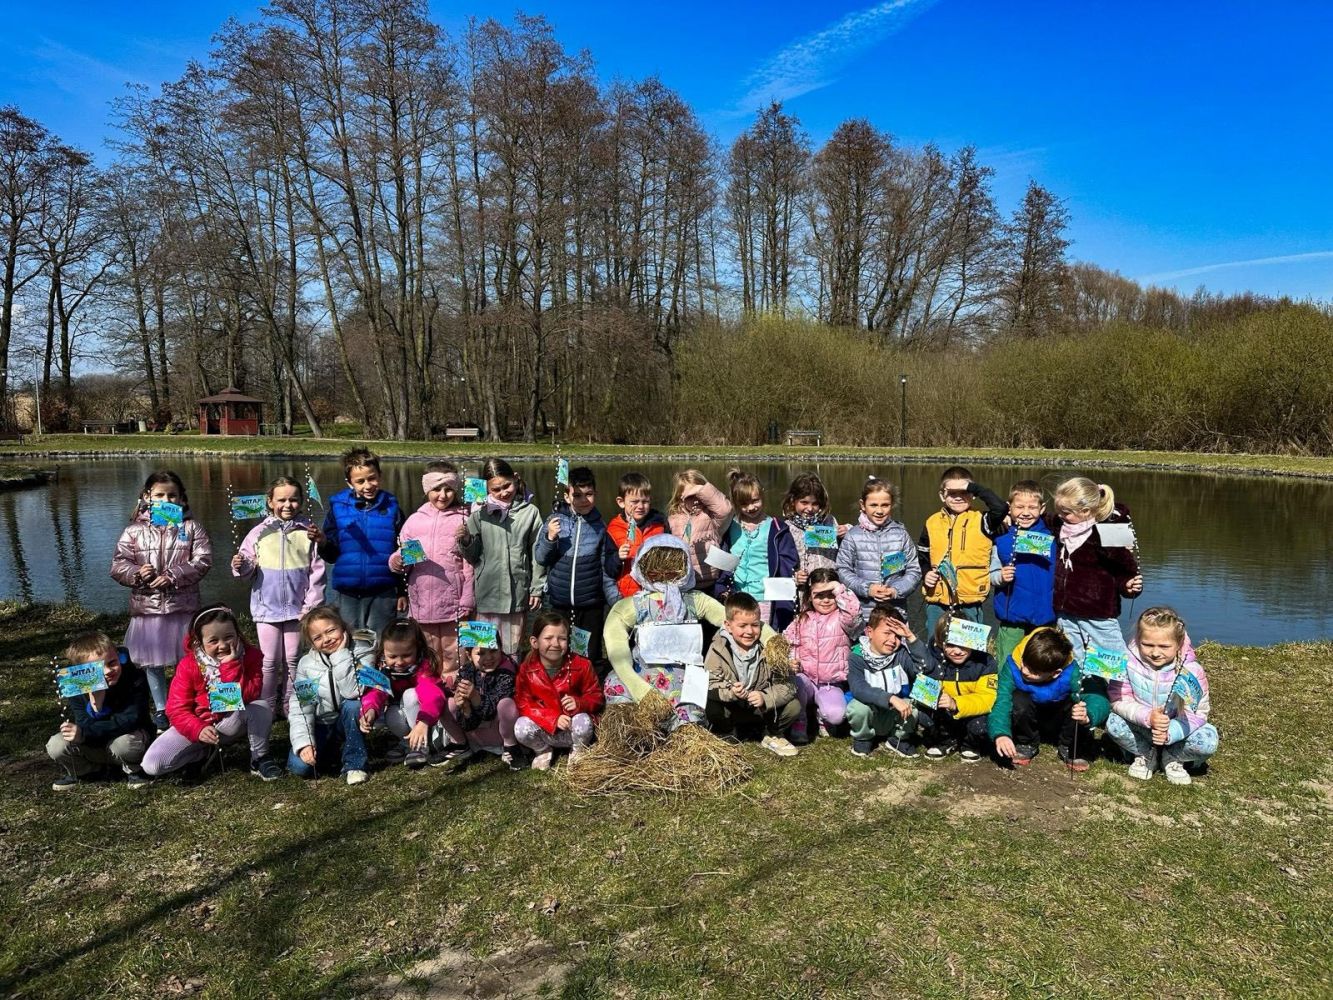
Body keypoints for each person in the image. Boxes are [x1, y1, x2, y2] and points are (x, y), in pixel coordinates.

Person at [604, 535, 760, 730]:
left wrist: (769, 639)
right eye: (656, 568)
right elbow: (614, 635)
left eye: (673, 567)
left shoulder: (695, 600)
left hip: (683, 675)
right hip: (642, 671)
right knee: (618, 687)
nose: (664, 574)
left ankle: (683, 731)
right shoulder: (637, 603)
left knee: (690, 713)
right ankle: (632, 730)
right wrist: (634, 682)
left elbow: (729, 619)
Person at [110, 469, 213, 731]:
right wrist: (137, 573)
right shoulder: (134, 530)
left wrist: (173, 576)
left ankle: (184, 705)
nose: (166, 500)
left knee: (186, 662)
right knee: (152, 664)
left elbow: (202, 561)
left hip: (183, 608)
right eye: (159, 495)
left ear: (182, 499)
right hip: (148, 610)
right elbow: (118, 565)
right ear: (147, 496)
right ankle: (161, 709)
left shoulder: (191, 528)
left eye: (172, 495)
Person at [140, 605, 278, 781]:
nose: (223, 645)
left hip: (232, 720)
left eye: (229, 637)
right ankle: (202, 753)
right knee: (152, 764)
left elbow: (250, 694)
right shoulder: (188, 665)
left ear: (238, 634)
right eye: (213, 641)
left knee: (261, 707)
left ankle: (259, 758)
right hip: (198, 723)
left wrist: (230, 667)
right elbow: (176, 709)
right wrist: (198, 729)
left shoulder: (251, 656)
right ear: (199, 641)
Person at [232, 475, 325, 719]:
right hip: (266, 609)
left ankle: (290, 704)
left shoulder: (308, 532)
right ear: (270, 501)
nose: (287, 505)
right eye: (281, 500)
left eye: (293, 499)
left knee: (293, 659)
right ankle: (267, 705)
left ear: (301, 501)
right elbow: (247, 569)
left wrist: (310, 607)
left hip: (298, 610)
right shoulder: (258, 532)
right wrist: (240, 565)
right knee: (269, 660)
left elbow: (317, 573)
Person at [1107, 607, 1219, 785]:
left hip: (1177, 733)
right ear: (1138, 638)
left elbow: (1198, 713)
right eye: (1147, 645)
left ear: (1179, 643)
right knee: (1113, 722)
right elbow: (1118, 699)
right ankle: (1144, 754)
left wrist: (1171, 732)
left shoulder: (1191, 671)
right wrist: (1147, 717)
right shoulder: (1126, 662)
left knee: (1208, 740)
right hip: (1141, 726)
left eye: (1164, 646)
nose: (1155, 653)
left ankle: (1173, 756)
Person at [390, 462, 475, 673]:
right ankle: (430, 688)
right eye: (436, 489)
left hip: (453, 604)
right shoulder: (414, 521)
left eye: (449, 489)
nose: (443, 495)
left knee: (456, 653)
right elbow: (404, 557)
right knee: (428, 656)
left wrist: (467, 598)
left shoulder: (465, 519)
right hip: (421, 605)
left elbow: (470, 563)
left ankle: (454, 687)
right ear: (427, 489)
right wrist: (397, 561)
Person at [534, 465, 617, 679]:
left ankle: (588, 691)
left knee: (588, 654)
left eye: (588, 494)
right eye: (577, 495)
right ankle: (557, 687)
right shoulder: (554, 521)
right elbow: (541, 558)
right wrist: (550, 538)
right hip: (559, 602)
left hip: (590, 604)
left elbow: (605, 570)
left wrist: (615, 602)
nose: (583, 500)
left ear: (595, 494)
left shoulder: (600, 527)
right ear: (567, 496)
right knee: (557, 650)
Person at [1048, 477, 1143, 666]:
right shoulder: (1059, 526)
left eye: (1065, 512)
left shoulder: (1108, 531)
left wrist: (1128, 585)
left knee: (1110, 660)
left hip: (1097, 612)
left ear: (1085, 511)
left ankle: (1115, 685)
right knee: (1071, 658)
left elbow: (1125, 567)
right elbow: (1037, 519)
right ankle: (1078, 683)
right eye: (1058, 510)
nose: (1060, 515)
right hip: (1065, 611)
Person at [988, 626, 1109, 771]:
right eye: (1024, 663)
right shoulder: (1012, 665)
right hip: (1028, 716)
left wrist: (1088, 715)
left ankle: (1068, 745)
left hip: (1060, 717)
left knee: (1078, 705)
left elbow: (1098, 698)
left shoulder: (1073, 671)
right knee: (1018, 699)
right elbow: (1001, 700)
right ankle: (1026, 742)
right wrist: (1001, 733)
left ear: (1056, 673)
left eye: (1034, 671)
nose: (1024, 671)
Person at [457, 458, 547, 654]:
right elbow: (473, 557)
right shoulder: (478, 515)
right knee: (482, 650)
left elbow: (537, 553)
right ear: (487, 489)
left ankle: (511, 673)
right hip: (486, 595)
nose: (503, 492)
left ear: (515, 479)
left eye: (507, 486)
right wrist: (466, 541)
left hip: (517, 594)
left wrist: (536, 589)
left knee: (511, 650)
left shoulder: (530, 512)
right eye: (496, 490)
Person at [312, 448, 404, 634]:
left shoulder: (392, 508)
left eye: (372, 478)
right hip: (348, 592)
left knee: (382, 642)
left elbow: (404, 552)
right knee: (351, 640)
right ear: (349, 482)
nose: (368, 485)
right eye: (360, 481)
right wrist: (322, 542)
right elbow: (331, 556)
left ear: (380, 475)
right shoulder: (338, 508)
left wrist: (403, 591)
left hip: (384, 592)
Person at [47, 632, 153, 791]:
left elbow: (130, 719)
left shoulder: (134, 677)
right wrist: (96, 702)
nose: (108, 670)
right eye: (97, 668)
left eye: (112, 662)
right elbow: (82, 721)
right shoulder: (76, 685)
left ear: (118, 656)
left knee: (125, 744)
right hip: (94, 743)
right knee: (56, 744)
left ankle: (134, 769)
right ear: (82, 671)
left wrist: (85, 733)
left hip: (125, 740)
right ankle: (88, 772)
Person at [704, 593, 800, 756]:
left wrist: (765, 697)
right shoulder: (717, 648)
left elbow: (789, 685)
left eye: (755, 625)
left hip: (761, 710)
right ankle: (727, 731)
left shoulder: (770, 648)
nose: (749, 631)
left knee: (793, 706)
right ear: (728, 625)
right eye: (742, 626)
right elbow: (710, 683)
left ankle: (772, 733)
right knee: (710, 705)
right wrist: (731, 692)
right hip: (732, 708)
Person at [917, 466, 1008, 637]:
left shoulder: (983, 520)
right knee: (935, 645)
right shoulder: (932, 522)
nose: (958, 497)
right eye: (952, 493)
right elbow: (922, 554)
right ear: (942, 496)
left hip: (970, 601)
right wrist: (926, 573)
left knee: (969, 648)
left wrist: (973, 487)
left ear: (972, 494)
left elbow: (1001, 508)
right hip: (937, 600)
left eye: (964, 492)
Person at [286, 606, 369, 785]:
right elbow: (302, 707)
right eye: (317, 637)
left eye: (331, 630)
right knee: (299, 767)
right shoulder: (306, 664)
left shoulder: (362, 651)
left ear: (342, 626)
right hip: (321, 724)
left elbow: (353, 691)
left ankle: (354, 765)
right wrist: (305, 743)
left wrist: (341, 655)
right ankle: (331, 752)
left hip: (349, 720)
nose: (327, 639)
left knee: (353, 705)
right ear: (311, 643)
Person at [513, 612, 604, 770]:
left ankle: (578, 750)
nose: (555, 643)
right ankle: (542, 750)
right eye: (548, 638)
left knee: (584, 721)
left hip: (572, 729)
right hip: (544, 730)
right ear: (534, 642)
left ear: (568, 641)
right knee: (520, 727)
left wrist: (579, 703)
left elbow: (596, 696)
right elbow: (523, 703)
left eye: (562, 638)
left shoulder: (582, 665)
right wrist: (552, 718)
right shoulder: (527, 669)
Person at [357, 619, 448, 769]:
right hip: (409, 715)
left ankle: (422, 745)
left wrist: (424, 721)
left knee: (410, 695)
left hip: (430, 720)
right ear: (383, 652)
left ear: (418, 649)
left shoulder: (423, 668)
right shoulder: (384, 669)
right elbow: (377, 691)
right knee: (392, 712)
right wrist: (370, 710)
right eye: (392, 656)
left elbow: (432, 695)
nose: (399, 662)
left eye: (406, 655)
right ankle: (407, 742)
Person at [784, 568, 862, 743]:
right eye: (819, 595)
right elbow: (789, 644)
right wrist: (791, 661)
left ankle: (822, 716)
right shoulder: (802, 619)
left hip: (830, 683)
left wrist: (839, 588)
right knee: (795, 684)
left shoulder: (843, 618)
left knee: (836, 715)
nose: (826, 600)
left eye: (830, 595)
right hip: (805, 679)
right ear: (810, 596)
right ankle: (800, 720)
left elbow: (854, 614)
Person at [988, 480, 1056, 671]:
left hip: (1045, 617)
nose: (1025, 512)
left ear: (1042, 509)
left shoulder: (1054, 534)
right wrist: (1000, 577)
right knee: (1007, 666)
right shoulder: (1000, 535)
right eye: (1019, 507)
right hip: (1012, 618)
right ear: (1009, 507)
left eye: (1032, 507)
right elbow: (991, 573)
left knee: (1043, 666)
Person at [716, 469, 797, 629]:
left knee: (762, 635)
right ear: (735, 503)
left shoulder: (777, 528)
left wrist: (786, 598)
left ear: (762, 494)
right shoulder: (729, 526)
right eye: (744, 504)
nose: (751, 507)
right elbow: (723, 565)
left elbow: (788, 565)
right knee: (740, 635)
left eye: (755, 501)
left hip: (765, 597)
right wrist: (721, 589)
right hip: (736, 598)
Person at [846, 604, 927, 759]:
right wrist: (890, 698)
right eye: (887, 633)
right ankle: (863, 738)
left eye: (897, 636)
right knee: (857, 709)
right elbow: (859, 688)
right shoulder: (856, 655)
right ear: (869, 632)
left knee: (912, 707)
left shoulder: (901, 654)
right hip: (871, 711)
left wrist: (911, 638)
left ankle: (898, 738)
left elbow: (922, 670)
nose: (892, 640)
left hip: (895, 713)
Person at [836, 476, 919, 620]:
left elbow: (914, 571)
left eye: (885, 505)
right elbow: (842, 570)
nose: (879, 511)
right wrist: (868, 589)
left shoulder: (901, 535)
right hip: (862, 613)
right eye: (873, 505)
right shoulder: (853, 536)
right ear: (863, 505)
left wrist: (895, 590)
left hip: (895, 612)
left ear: (892, 505)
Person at [918, 615, 996, 762]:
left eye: (963, 645)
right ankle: (944, 742)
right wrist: (933, 697)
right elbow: (921, 693)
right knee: (923, 714)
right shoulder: (930, 659)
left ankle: (970, 744)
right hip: (944, 714)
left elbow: (988, 698)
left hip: (970, 714)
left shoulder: (986, 662)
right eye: (950, 645)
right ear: (940, 643)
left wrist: (956, 704)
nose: (957, 651)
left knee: (982, 722)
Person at [438, 640, 521, 769]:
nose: (488, 657)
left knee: (507, 704)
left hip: (498, 734)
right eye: (481, 653)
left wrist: (475, 697)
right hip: (475, 734)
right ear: (469, 655)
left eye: (493, 650)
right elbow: (467, 724)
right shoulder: (465, 672)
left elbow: (490, 713)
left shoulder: (507, 672)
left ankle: (511, 747)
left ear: (501, 649)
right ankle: (460, 744)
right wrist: (465, 708)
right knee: (448, 702)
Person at [666, 469, 734, 595]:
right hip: (686, 582)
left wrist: (700, 490)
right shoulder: (673, 519)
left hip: (712, 580)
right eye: (691, 497)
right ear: (680, 497)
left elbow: (726, 509)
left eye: (699, 495)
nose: (696, 500)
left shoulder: (711, 516)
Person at [604, 471, 667, 600]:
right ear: (621, 502)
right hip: (627, 595)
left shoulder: (660, 525)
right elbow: (609, 569)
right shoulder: (613, 529)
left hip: (656, 593)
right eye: (635, 501)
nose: (640, 506)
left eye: (645, 501)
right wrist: (618, 558)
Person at [782, 472, 847, 587]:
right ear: (793, 501)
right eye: (804, 502)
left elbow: (846, 549)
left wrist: (847, 531)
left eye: (815, 504)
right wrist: (795, 577)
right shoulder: (786, 528)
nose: (810, 508)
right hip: (805, 588)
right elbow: (784, 565)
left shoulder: (829, 521)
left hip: (830, 584)